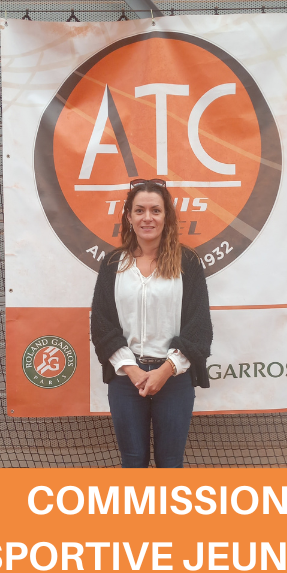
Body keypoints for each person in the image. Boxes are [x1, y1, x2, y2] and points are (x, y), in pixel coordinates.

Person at [90, 178, 213, 468]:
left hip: (174, 379)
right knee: (133, 462)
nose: (148, 218)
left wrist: (164, 371)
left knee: (170, 463)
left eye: (156, 211)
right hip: (126, 380)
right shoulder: (113, 264)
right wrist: (132, 370)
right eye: (140, 210)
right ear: (129, 216)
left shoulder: (187, 262)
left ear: (166, 217)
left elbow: (199, 327)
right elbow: (102, 324)